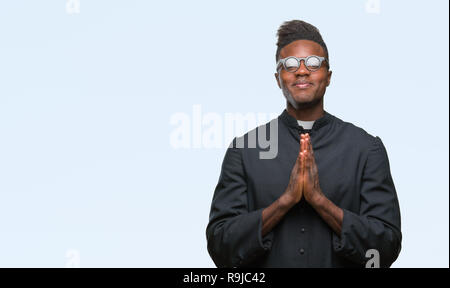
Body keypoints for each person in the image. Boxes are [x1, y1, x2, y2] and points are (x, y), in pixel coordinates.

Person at [206, 20, 402, 268]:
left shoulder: (365, 149)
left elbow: (385, 249)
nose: (301, 70)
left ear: (328, 76)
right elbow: (220, 247)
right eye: (289, 65)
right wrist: (285, 201)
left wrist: (320, 201)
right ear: (278, 78)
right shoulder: (244, 150)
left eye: (313, 63)